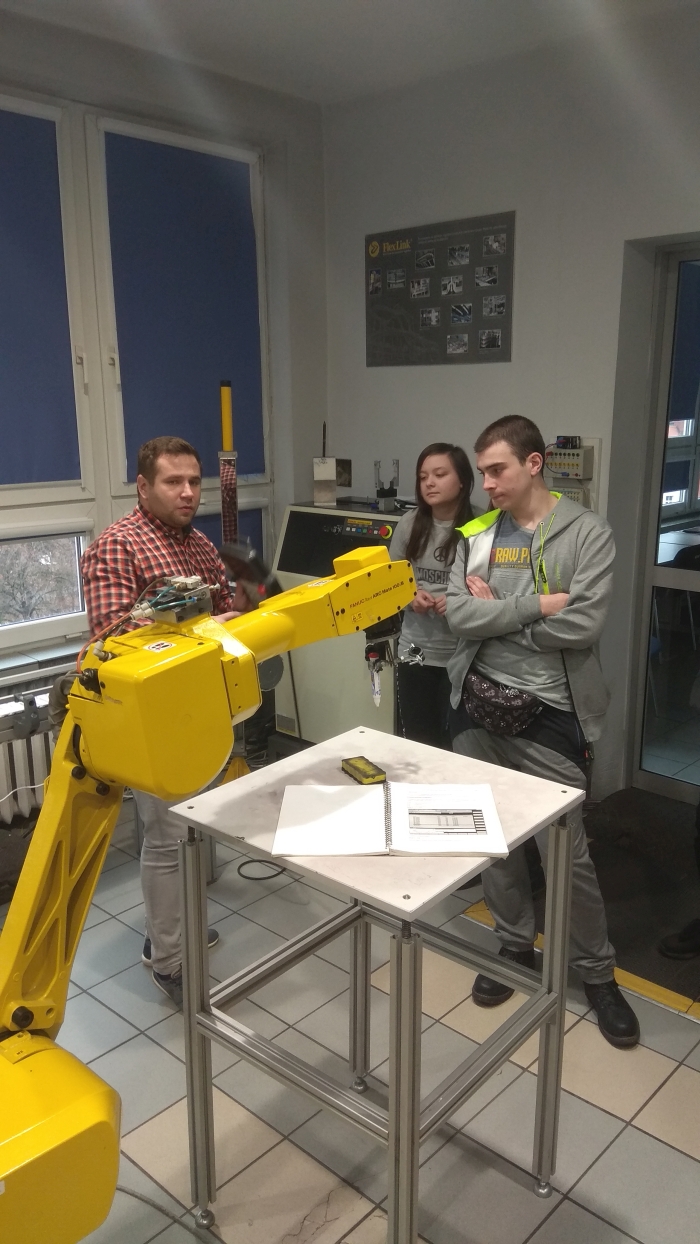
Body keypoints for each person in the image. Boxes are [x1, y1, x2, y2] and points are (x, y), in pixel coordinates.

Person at [446, 415, 640, 1048]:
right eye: (481, 472)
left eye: (496, 470)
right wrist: (534, 606)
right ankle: (512, 946)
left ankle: (596, 972)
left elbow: (581, 625)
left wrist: (497, 616)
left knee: (566, 851)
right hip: (478, 704)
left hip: (553, 713)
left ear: (534, 464)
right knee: (493, 837)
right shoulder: (476, 532)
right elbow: (457, 614)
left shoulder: (587, 534)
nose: (486, 483)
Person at [81, 435, 249, 1007]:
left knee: (191, 829)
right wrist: (204, 628)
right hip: (153, 721)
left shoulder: (196, 543)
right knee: (167, 838)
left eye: (194, 481)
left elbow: (223, 608)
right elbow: (113, 641)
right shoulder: (117, 546)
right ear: (143, 486)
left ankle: (174, 930)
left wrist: (234, 614)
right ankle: (170, 960)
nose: (187, 492)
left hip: (201, 707)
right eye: (173, 481)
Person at [390, 443, 474, 749]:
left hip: (465, 656)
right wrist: (410, 597)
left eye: (440, 474)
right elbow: (388, 584)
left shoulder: (480, 526)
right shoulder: (409, 523)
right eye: (423, 476)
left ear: (462, 480)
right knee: (418, 742)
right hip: (415, 652)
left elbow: (493, 589)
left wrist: (459, 602)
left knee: (458, 745)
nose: (429, 483)